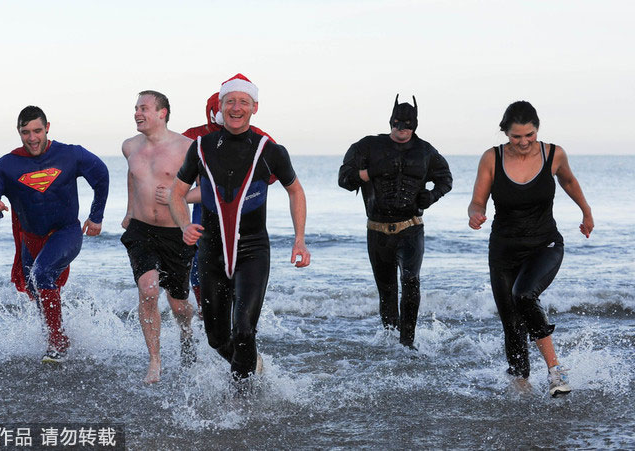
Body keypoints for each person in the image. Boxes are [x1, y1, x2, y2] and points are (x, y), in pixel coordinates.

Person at [168, 74, 311, 381]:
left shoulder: (270, 150)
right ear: (220, 106)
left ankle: (241, 397)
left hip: (252, 250)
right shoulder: (201, 147)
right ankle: (252, 366)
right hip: (211, 252)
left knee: (244, 329)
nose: (236, 107)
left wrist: (299, 239)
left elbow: (295, 190)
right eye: (230, 101)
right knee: (217, 338)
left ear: (254, 107)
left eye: (243, 102)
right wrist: (183, 225)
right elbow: (176, 193)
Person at [468, 101, 593, 397]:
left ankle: (555, 372)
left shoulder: (554, 154)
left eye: (530, 135)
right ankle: (521, 384)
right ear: (505, 133)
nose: (524, 142)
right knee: (511, 323)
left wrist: (586, 213)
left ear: (537, 130)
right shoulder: (491, 158)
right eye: (516, 137)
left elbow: (570, 182)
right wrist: (475, 214)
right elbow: (478, 200)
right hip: (503, 251)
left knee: (524, 295)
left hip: (544, 244)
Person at [0, 106, 109, 363]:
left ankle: (57, 342)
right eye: (25, 132)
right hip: (31, 239)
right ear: (19, 132)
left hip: (65, 232)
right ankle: (55, 334)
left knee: (42, 275)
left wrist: (97, 216)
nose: (32, 138)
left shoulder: (70, 154)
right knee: (35, 289)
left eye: (37, 130)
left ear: (48, 127)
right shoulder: (7, 165)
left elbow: (101, 175)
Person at [338, 94, 452, 349]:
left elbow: (446, 179)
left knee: (411, 282)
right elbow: (344, 179)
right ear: (390, 121)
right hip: (377, 230)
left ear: (415, 125)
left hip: (411, 227)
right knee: (387, 290)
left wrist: (432, 196)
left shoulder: (425, 151)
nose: (401, 129)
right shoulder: (367, 146)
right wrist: (369, 172)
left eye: (407, 124)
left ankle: (407, 343)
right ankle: (392, 343)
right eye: (397, 123)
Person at [121, 90, 198, 384]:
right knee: (149, 289)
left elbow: (209, 190)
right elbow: (132, 176)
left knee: (179, 304)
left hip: (176, 232)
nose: (138, 113)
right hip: (141, 230)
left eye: (144, 108)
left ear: (162, 113)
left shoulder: (187, 147)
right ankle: (155, 361)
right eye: (136, 108)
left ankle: (186, 331)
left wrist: (181, 197)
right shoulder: (130, 146)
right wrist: (129, 210)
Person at [181, 92, 276, 318]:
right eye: (226, 105)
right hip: (203, 213)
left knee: (240, 263)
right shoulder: (194, 136)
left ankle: (240, 317)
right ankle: (207, 311)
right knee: (200, 263)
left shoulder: (256, 137)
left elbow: (272, 174)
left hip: (243, 213)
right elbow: (173, 169)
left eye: (241, 103)